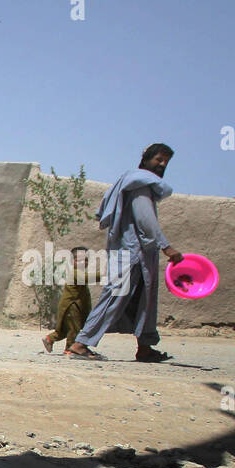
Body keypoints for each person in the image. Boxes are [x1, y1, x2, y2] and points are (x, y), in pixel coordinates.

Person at [67, 144, 184, 361]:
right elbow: (145, 220)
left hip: (139, 254)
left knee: (145, 300)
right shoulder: (140, 184)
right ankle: (80, 343)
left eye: (166, 161)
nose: (162, 165)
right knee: (114, 296)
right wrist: (166, 246)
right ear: (146, 158)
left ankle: (145, 348)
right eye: (159, 159)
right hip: (132, 252)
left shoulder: (139, 184)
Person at [41, 246, 93, 353]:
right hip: (71, 307)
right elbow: (88, 278)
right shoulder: (75, 273)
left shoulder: (80, 273)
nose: (84, 262)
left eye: (86, 260)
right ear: (72, 261)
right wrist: (105, 274)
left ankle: (49, 339)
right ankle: (70, 348)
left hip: (74, 307)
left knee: (66, 330)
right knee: (74, 329)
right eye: (80, 260)